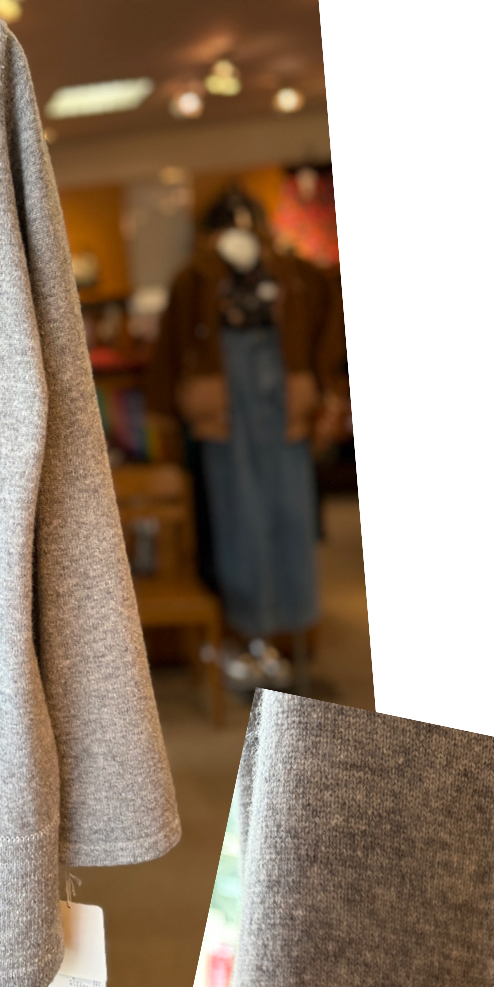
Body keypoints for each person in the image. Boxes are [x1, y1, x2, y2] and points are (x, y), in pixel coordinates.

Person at [145, 187, 347, 684]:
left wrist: (326, 387)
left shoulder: (295, 275)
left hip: (285, 407)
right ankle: (250, 637)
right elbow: (171, 351)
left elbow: (327, 328)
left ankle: (292, 633)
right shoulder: (194, 278)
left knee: (291, 519)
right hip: (224, 415)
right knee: (239, 523)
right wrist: (169, 416)